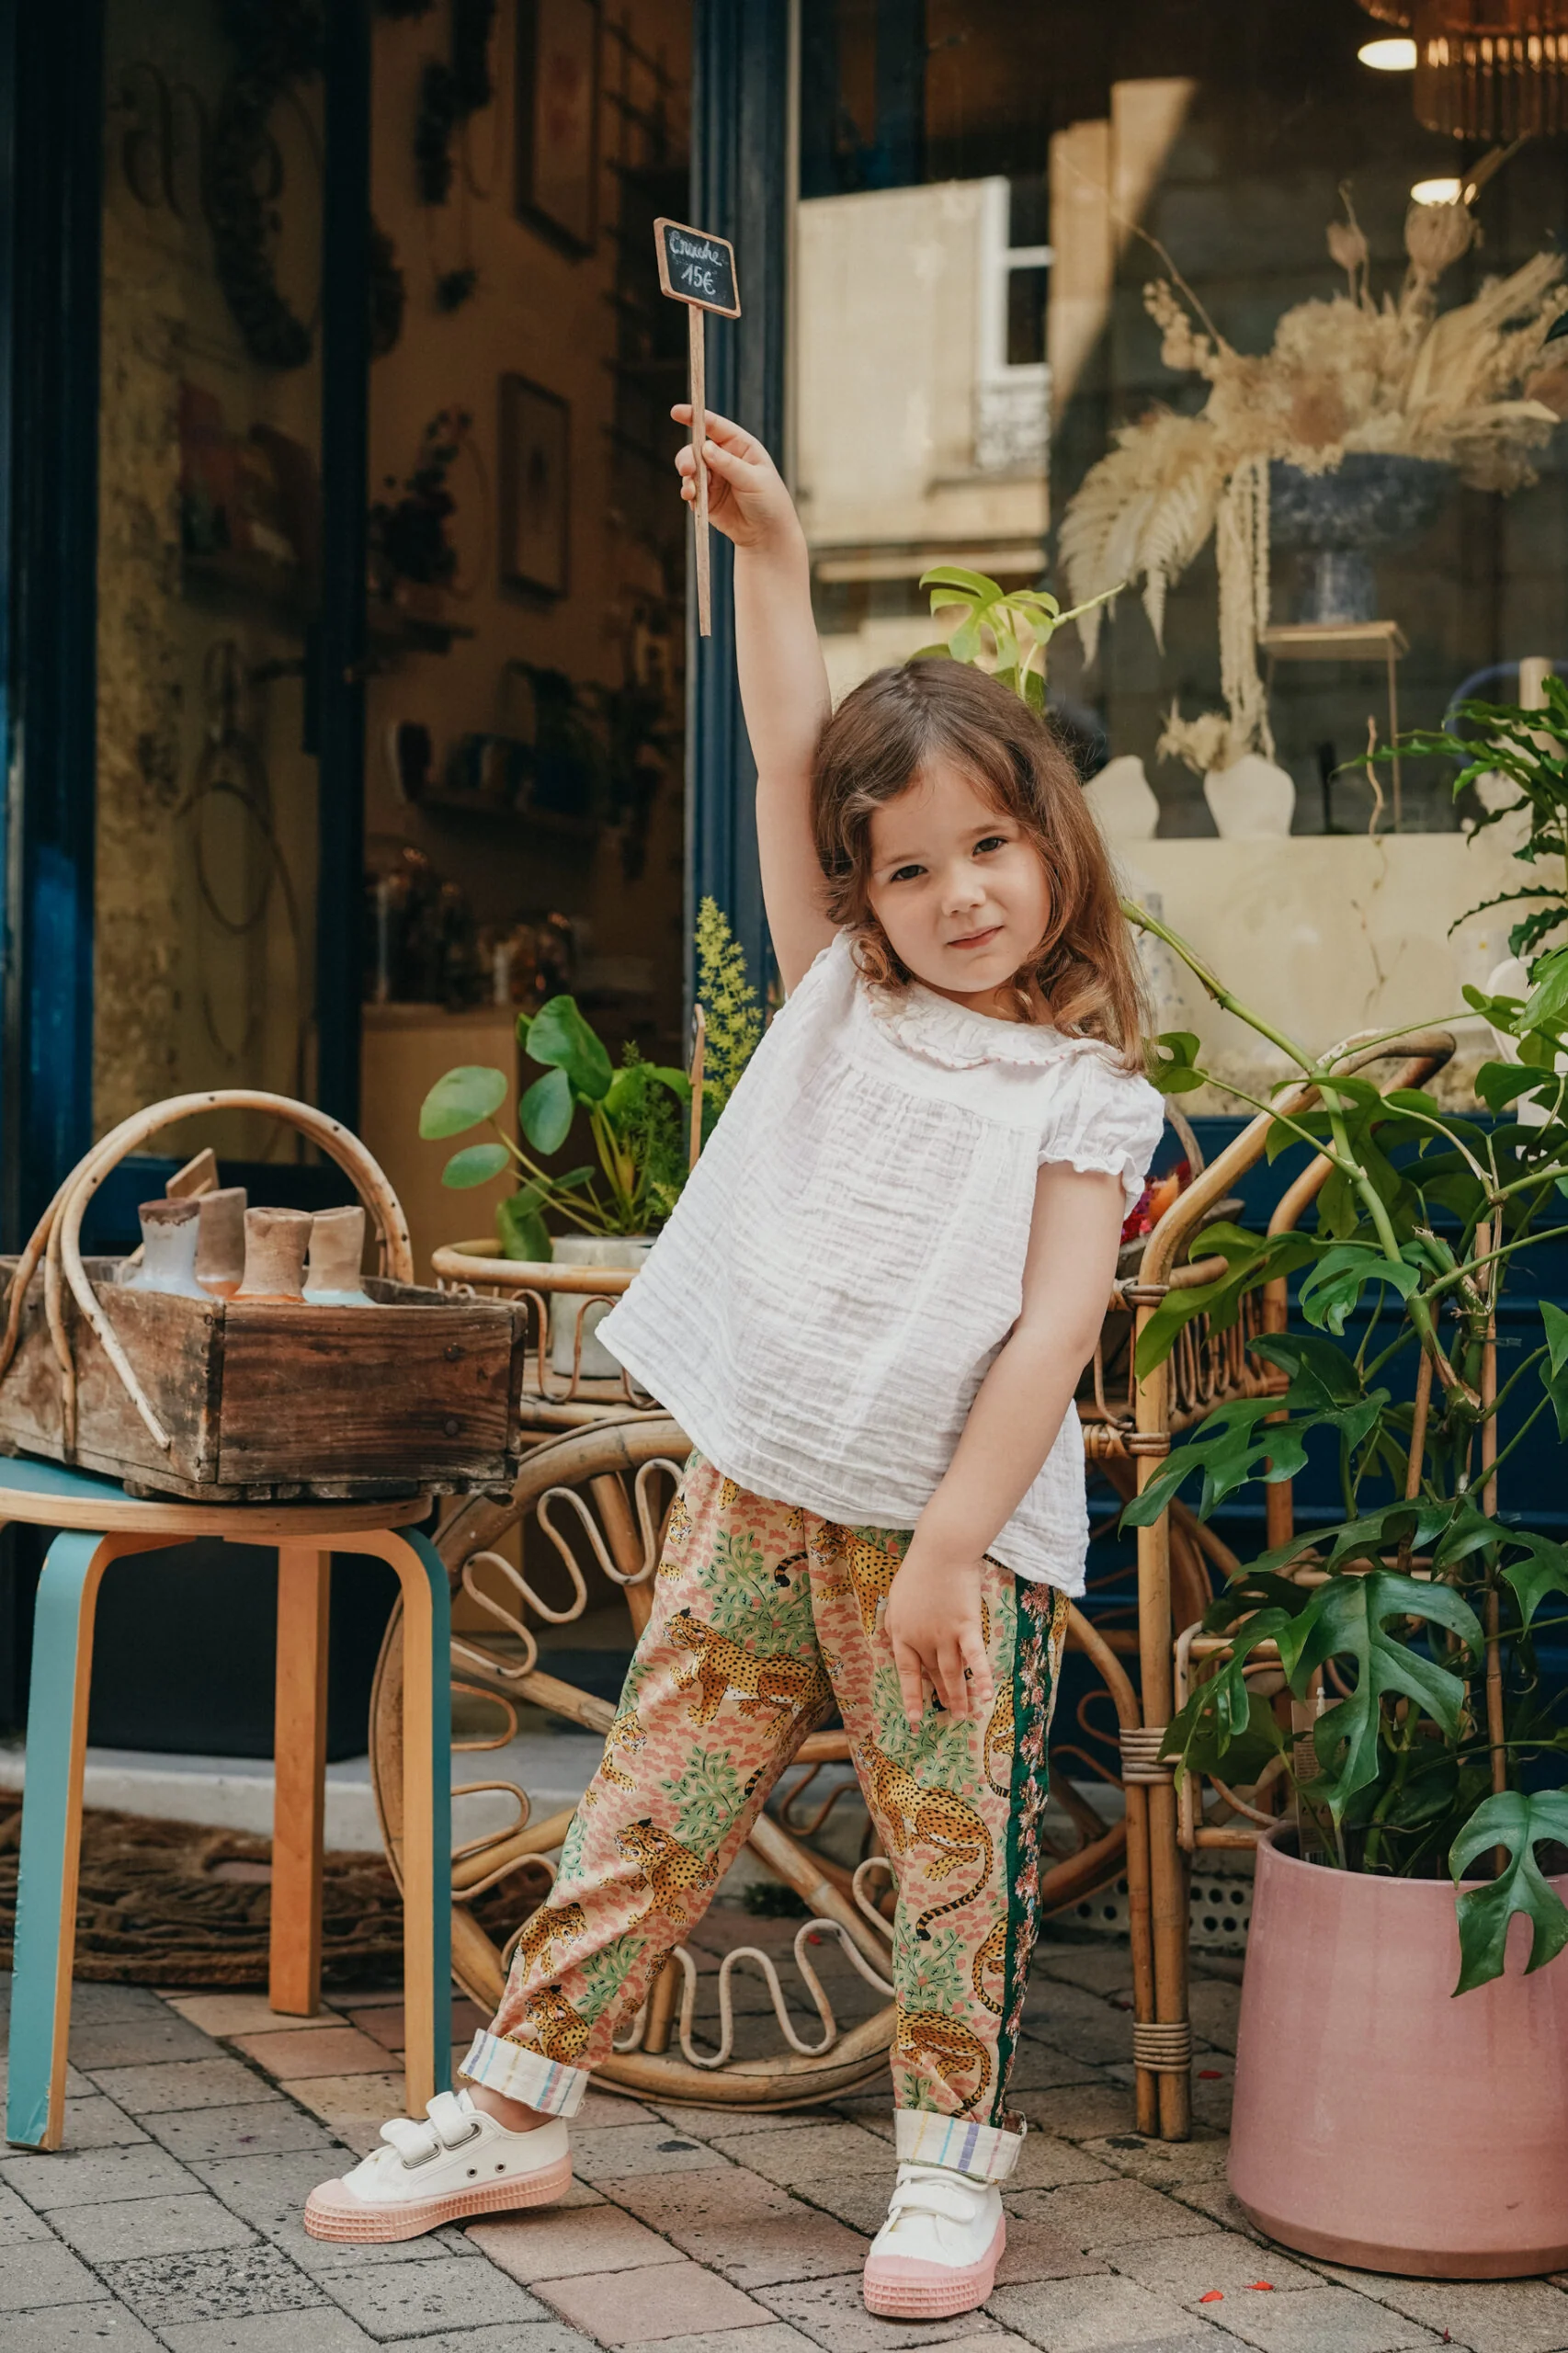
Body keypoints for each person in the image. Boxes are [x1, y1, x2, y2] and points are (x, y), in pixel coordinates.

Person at [305, 409, 1165, 2321]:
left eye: (990, 846)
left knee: (951, 1851)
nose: (958, 892)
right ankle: (512, 2106)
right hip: (758, 1487)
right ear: (859, 893)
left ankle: (945, 2165)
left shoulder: (1083, 1094)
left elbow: (1053, 1329)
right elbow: (791, 749)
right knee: (647, 1801)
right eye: (911, 866)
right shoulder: (837, 993)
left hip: (949, 1542)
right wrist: (767, 547)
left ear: (1050, 839)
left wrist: (948, 1543)